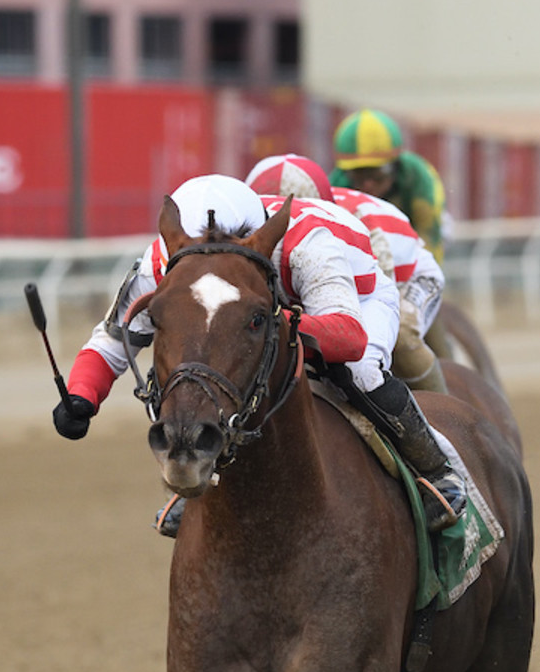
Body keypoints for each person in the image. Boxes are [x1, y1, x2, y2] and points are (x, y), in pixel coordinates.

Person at [51, 173, 467, 535]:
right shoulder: (160, 262)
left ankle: (435, 471)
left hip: (358, 300)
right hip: (259, 306)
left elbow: (348, 336)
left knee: (359, 371)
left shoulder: (309, 244)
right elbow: (111, 339)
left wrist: (269, 324)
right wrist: (82, 396)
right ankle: (195, 466)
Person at [246, 152, 450, 394]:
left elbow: (363, 308)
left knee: (401, 339)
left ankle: (441, 409)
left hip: (403, 275)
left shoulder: (359, 227)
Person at [329, 108, 454, 360]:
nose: (367, 185)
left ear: (396, 166)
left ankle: (445, 363)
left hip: (415, 246)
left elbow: (429, 241)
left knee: (418, 323)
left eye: (377, 175)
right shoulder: (336, 182)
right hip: (369, 255)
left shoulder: (418, 177)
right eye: (358, 175)